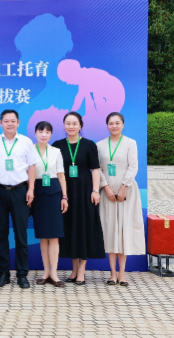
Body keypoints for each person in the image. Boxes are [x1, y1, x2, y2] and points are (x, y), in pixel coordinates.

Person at [0, 109, 39, 289]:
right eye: (6, 121)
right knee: (0, 233)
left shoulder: (26, 142)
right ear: (0, 123)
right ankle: (3, 273)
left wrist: (31, 189)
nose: (9, 123)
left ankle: (22, 274)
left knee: (21, 234)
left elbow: (31, 167)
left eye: (13, 120)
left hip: (20, 191)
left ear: (18, 123)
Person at [52, 111, 105, 285]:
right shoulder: (57, 146)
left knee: (83, 228)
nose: (71, 126)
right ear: (64, 125)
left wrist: (95, 190)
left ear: (80, 125)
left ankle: (81, 270)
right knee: (70, 229)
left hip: (84, 192)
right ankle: (74, 270)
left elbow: (95, 170)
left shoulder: (89, 145)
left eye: (74, 123)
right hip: (65, 193)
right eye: (68, 123)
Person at [97, 112, 145, 286]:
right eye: (111, 123)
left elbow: (133, 166)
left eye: (117, 123)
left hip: (127, 193)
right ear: (107, 125)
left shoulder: (130, 143)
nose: (114, 126)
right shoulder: (100, 145)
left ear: (123, 125)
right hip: (107, 194)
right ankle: (112, 274)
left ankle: (122, 274)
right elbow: (98, 169)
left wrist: (124, 187)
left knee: (123, 231)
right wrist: (106, 187)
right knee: (110, 231)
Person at [31, 121, 68, 288]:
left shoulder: (56, 151)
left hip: (54, 194)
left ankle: (54, 273)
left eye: (47, 132)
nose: (44, 134)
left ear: (51, 134)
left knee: (53, 236)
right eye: (41, 131)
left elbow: (61, 175)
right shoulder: (29, 150)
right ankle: (45, 272)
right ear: (35, 133)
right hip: (37, 194)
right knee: (43, 235)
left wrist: (64, 196)